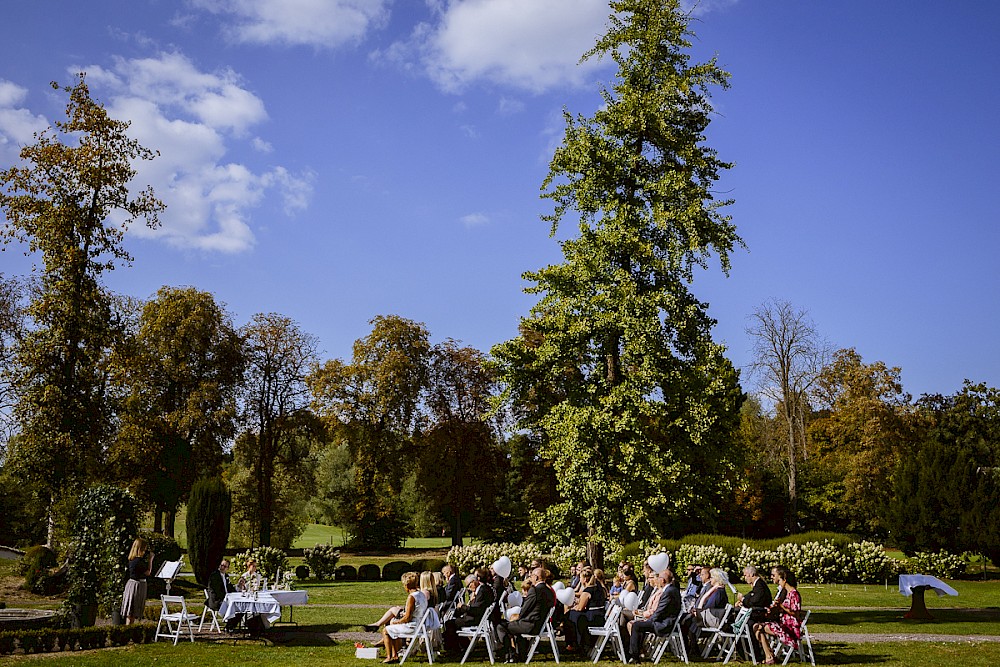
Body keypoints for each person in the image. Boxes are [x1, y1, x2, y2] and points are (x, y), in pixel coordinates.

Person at [496, 567, 555, 663]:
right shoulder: (549, 591)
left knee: (501, 627)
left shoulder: (535, 590)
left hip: (530, 625)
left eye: (531, 576)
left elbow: (524, 610)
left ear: (536, 577)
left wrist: (517, 616)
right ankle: (520, 653)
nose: (530, 578)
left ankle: (510, 654)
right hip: (540, 624)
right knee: (512, 626)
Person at [626, 569, 680, 664]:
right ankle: (636, 653)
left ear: (663, 580)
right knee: (639, 625)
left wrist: (648, 621)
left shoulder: (669, 592)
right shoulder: (671, 589)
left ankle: (634, 656)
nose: (657, 580)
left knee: (636, 626)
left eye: (659, 578)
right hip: (662, 620)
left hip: (664, 624)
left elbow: (660, 611)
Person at [754, 566, 802, 664]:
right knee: (756, 627)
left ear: (785, 580)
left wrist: (781, 606)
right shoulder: (786, 593)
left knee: (759, 627)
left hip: (790, 628)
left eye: (780, 581)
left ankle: (769, 656)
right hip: (783, 623)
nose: (779, 584)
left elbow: (795, 613)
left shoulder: (794, 594)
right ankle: (770, 655)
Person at [442, 570, 495, 653]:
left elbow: (476, 610)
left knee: (450, 624)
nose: (469, 588)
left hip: (476, 619)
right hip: (478, 617)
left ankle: (455, 648)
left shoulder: (482, 591)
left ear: (474, 582)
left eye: (469, 585)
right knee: (453, 622)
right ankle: (464, 645)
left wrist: (463, 607)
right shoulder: (482, 590)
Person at [382, 572, 429, 663]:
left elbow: (407, 618)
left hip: (413, 626)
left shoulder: (412, 597)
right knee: (393, 629)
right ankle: (395, 655)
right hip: (420, 624)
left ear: (406, 585)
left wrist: (397, 621)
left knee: (386, 630)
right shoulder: (422, 594)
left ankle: (389, 656)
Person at [563, 566, 607, 653]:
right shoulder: (600, 589)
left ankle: (575, 643)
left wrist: (574, 607)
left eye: (580, 577)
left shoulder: (588, 590)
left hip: (592, 618)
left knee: (570, 615)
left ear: (585, 579)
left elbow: (580, 608)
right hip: (600, 616)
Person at [121, 537, 154, 625]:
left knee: (131, 611)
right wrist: (151, 560)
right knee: (132, 610)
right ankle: (129, 629)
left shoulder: (132, 559)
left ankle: (129, 628)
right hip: (137, 586)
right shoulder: (138, 561)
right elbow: (148, 572)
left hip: (132, 584)